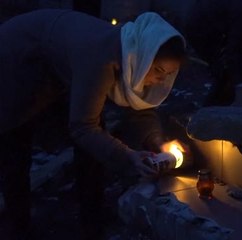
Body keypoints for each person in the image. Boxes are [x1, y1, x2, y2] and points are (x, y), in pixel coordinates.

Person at [0, 9, 185, 239]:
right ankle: (19, 224)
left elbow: (138, 107)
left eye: (169, 74)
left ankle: (91, 215)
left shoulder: (132, 52)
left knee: (94, 143)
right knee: (16, 140)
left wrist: (155, 141)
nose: (161, 80)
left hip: (58, 59)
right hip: (19, 57)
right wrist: (128, 156)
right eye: (158, 70)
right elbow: (83, 127)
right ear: (145, 56)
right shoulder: (102, 59)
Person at [139, 0, 242, 105]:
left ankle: (228, 96)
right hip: (202, 25)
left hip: (224, 26)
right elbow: (235, 50)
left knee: (235, 68)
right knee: (222, 70)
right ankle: (213, 108)